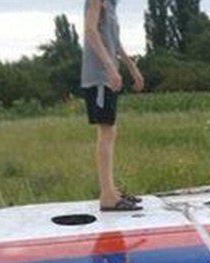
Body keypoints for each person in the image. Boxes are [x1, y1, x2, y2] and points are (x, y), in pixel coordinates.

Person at [82, 0, 144, 212]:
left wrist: (131, 67)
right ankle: (107, 195)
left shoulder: (111, 6)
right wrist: (109, 65)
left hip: (108, 76)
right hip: (98, 76)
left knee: (110, 130)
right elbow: (90, 30)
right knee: (106, 130)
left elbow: (115, 43)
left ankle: (112, 190)